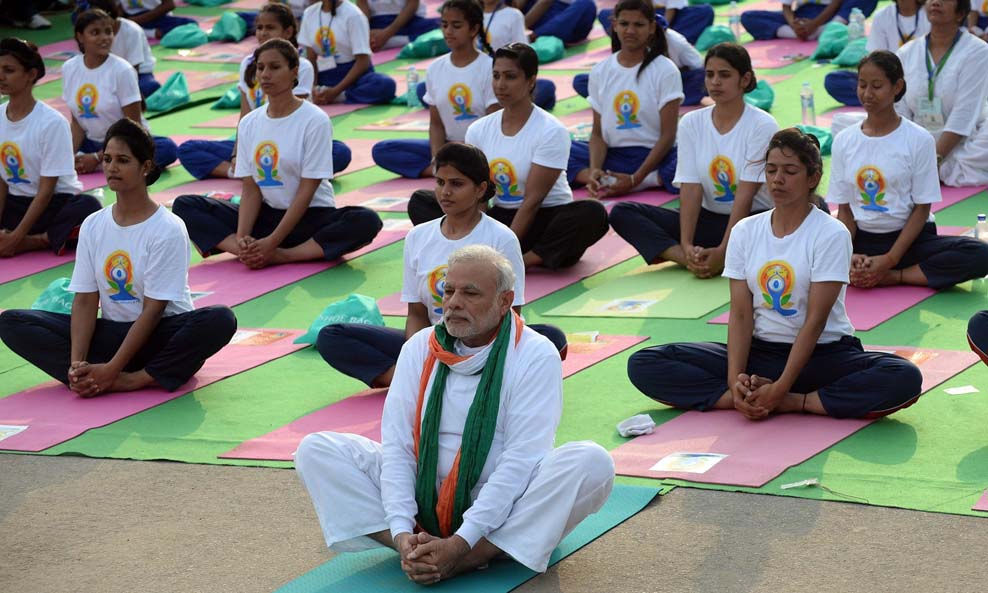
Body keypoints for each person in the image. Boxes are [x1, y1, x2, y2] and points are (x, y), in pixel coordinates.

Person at [295, 244, 615, 583]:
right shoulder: (420, 347)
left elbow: (522, 459)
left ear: (505, 301)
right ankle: (415, 552)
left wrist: (464, 543)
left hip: (502, 497)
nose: (454, 303)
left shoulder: (535, 355)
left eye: (470, 293)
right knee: (316, 450)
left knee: (591, 463)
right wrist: (402, 530)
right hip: (423, 490)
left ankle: (473, 554)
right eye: (449, 291)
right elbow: (398, 446)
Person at [625, 129, 924, 420]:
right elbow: (741, 315)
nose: (778, 180)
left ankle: (798, 402)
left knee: (903, 376)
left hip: (822, 355)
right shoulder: (745, 231)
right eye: (771, 170)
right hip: (761, 354)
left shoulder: (831, 233)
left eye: (790, 171)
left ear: (813, 178)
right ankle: (742, 398)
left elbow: (815, 321)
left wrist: (782, 390)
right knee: (645, 362)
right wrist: (735, 380)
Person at [0, 118, 238, 396]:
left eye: (123, 160)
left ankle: (135, 379)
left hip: (160, 334)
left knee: (220, 319)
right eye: (108, 159)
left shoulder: (167, 228)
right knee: (11, 322)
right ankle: (85, 375)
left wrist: (115, 370)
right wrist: (77, 362)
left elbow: (153, 310)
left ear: (146, 167)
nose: (112, 167)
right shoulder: (94, 224)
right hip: (112, 334)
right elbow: (87, 300)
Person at [319, 142, 567, 387]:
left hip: (482, 343)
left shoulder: (500, 238)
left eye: (456, 184)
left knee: (551, 338)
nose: (445, 192)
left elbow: (511, 313)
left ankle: (438, 379)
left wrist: (475, 354)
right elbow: (416, 313)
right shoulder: (418, 237)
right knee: (332, 336)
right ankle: (417, 379)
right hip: (435, 340)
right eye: (440, 182)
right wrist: (419, 357)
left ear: (480, 189)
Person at [172, 39, 383, 269]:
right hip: (267, 215)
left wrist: (273, 245)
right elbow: (251, 189)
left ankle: (285, 255)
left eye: (274, 67)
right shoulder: (250, 123)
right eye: (261, 68)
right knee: (184, 205)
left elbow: (306, 190)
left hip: (310, 218)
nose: (265, 75)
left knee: (366, 220)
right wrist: (243, 239)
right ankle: (248, 252)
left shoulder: (314, 120)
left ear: (294, 72)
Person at [409, 43, 609, 270]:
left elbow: (532, 201)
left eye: (510, 77)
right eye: (496, 76)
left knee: (592, 213)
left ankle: (522, 261)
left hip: (544, 218)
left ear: (531, 80)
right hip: (501, 216)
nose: (501, 85)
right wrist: (478, 233)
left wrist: (502, 253)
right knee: (422, 201)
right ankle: (472, 253)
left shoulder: (551, 130)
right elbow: (478, 194)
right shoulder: (479, 129)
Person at [608, 42, 777, 279]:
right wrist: (687, 245)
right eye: (710, 75)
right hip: (708, 221)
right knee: (622, 213)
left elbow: (745, 196)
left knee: (801, 219)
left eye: (725, 75)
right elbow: (690, 188)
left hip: (751, 221)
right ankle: (691, 260)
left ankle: (724, 256)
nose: (715, 82)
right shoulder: (691, 122)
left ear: (745, 79)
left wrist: (723, 249)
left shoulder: (762, 124)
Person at [830, 51, 988, 289]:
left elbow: (922, 208)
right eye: (862, 85)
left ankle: (897, 276)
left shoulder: (919, 139)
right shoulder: (844, 140)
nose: (867, 94)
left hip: (910, 239)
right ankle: (865, 269)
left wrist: (890, 262)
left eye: (877, 86)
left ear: (897, 87)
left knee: (981, 254)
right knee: (803, 248)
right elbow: (845, 209)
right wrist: (848, 254)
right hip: (863, 239)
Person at [177, 3, 351, 181]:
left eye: (270, 27)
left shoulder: (301, 65)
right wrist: (237, 155)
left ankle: (266, 171)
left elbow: (292, 116)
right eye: (259, 28)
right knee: (187, 149)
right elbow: (244, 115)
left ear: (288, 32)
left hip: (292, 144)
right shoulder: (247, 63)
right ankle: (242, 173)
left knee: (340, 152)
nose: (263, 33)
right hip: (256, 143)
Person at [567, 0, 684, 200]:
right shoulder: (600, 71)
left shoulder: (665, 70)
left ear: (651, 28)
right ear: (614, 25)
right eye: (624, 24)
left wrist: (636, 179)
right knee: (559, 148)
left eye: (638, 25)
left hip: (657, 157)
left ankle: (647, 180)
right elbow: (597, 133)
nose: (630, 30)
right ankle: (597, 178)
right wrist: (595, 168)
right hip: (614, 156)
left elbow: (668, 136)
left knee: (695, 157)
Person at [372, 0, 499, 179]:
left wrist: (474, 155)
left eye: (456, 26)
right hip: (449, 149)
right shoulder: (435, 68)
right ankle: (445, 173)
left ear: (473, 29)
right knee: (383, 150)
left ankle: (458, 173)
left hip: (480, 150)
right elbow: (436, 124)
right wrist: (436, 158)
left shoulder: (489, 68)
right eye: (444, 25)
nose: (448, 31)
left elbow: (494, 125)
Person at [0, 38, 101, 257]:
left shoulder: (52, 122)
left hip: (54, 204)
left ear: (31, 74)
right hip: (16, 203)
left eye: (8, 70)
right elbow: (1, 181)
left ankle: (39, 240)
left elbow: (46, 190)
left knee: (89, 207)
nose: (1, 76)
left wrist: (16, 238)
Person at [64, 9, 178, 174]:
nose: (104, 38)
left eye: (108, 32)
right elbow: (77, 124)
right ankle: (108, 163)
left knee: (168, 149)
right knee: (47, 147)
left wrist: (98, 158)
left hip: (126, 141)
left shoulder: (122, 70)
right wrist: (67, 159)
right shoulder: (70, 68)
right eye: (95, 33)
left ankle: (108, 162)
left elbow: (133, 126)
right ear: (80, 37)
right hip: (91, 141)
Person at [896, 0, 988, 187]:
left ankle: (932, 169)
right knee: (847, 125)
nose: (936, 2)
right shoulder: (907, 52)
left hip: (965, 139)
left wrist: (930, 163)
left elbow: (965, 113)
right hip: (918, 139)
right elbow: (899, 107)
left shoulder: (979, 52)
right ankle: (935, 169)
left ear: (960, 13)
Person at [574, 14, 705, 106]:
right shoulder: (630, 37)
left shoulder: (676, 42)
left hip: (667, 85)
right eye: (625, 24)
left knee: (704, 77)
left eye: (639, 25)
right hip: (628, 85)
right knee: (582, 81)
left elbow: (699, 66)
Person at [824, 0, 930, 106]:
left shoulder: (930, 15)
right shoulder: (882, 16)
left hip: (923, 78)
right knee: (833, 80)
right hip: (888, 79)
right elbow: (877, 60)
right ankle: (888, 100)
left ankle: (885, 101)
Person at [299, 0, 397, 105]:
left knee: (385, 84)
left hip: (354, 76)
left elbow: (363, 61)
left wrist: (336, 92)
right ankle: (322, 94)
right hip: (325, 73)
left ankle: (342, 96)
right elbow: (311, 59)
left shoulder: (354, 15)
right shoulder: (309, 13)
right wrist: (313, 88)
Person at [479, 0, 558, 109]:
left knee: (545, 87)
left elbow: (524, 55)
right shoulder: (470, 16)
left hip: (506, 80)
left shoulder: (513, 15)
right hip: (480, 82)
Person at [86, 0, 163, 98]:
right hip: (110, 75)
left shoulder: (132, 30)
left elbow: (134, 69)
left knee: (147, 87)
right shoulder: (91, 33)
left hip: (138, 74)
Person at [741, 0, 879, 41]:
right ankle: (801, 33)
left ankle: (827, 29)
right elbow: (786, 7)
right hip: (802, 15)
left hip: (831, 13)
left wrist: (815, 24)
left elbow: (836, 3)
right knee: (748, 17)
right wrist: (794, 25)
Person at [597, 0, 715, 45]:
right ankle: (636, 36)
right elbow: (625, 7)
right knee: (605, 15)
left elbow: (671, 10)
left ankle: (655, 38)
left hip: (671, 18)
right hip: (638, 17)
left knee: (705, 11)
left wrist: (660, 28)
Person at [358, 0, 440, 51]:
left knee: (440, 24)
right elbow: (363, 7)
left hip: (406, 21)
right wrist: (365, 31)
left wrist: (387, 34)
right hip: (376, 23)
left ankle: (385, 42)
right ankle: (400, 41)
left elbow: (412, 5)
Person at [512, 0, 597, 44]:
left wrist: (519, 30)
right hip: (543, 18)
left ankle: (534, 36)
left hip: (568, 20)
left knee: (587, 4)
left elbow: (545, 2)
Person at [119, 0, 196, 39]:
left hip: (155, 15)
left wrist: (136, 20)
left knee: (190, 25)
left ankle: (143, 32)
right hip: (131, 17)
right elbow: (117, 9)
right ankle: (149, 33)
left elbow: (169, 5)